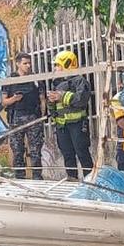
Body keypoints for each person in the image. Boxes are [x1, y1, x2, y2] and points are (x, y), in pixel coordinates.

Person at [47, 50, 94, 179]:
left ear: (67, 64)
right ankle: (71, 178)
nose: (56, 68)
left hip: (77, 124)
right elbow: (54, 107)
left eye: (58, 65)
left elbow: (81, 99)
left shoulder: (79, 81)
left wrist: (62, 96)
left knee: (82, 152)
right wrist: (51, 102)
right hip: (62, 125)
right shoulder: (57, 82)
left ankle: (90, 179)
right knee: (67, 153)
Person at [1, 53, 46, 180]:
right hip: (16, 119)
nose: (28, 65)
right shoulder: (10, 80)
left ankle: (37, 176)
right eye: (25, 63)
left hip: (33, 118)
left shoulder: (35, 79)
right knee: (17, 150)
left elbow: (42, 99)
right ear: (18, 64)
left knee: (35, 150)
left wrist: (41, 117)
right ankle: (20, 176)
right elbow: (4, 102)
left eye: (29, 63)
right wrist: (14, 98)